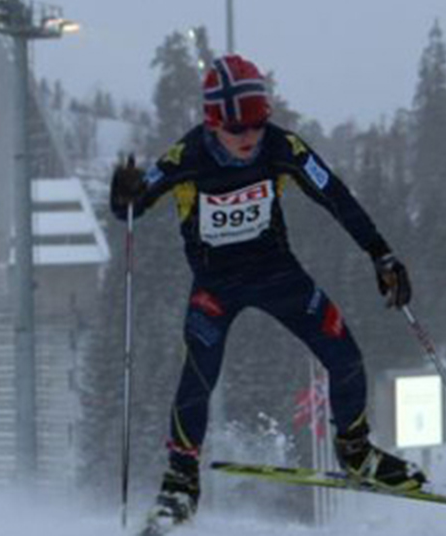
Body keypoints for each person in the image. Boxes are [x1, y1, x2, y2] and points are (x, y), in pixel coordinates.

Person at [110, 54, 425, 530]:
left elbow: (334, 196)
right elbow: (131, 207)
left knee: (345, 356)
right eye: (238, 129)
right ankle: (179, 484)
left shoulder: (284, 147)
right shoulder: (187, 157)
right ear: (213, 122)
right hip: (216, 287)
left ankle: (357, 455)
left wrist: (380, 254)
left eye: (258, 125)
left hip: (279, 274)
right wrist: (124, 193)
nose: (250, 139)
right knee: (199, 375)